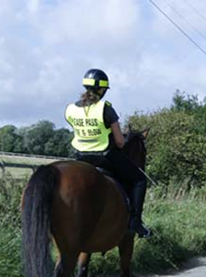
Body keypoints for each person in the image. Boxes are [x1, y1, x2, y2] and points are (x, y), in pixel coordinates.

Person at [64, 68, 150, 238]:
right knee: (140, 179)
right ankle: (135, 222)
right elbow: (119, 142)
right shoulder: (106, 109)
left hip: (80, 158)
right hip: (105, 157)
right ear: (102, 90)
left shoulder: (70, 109)